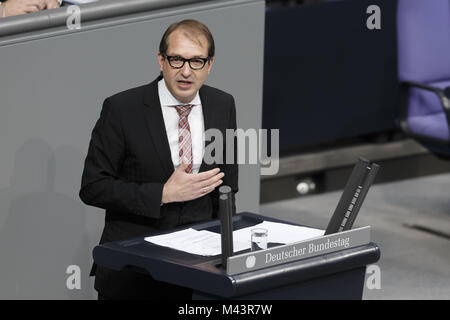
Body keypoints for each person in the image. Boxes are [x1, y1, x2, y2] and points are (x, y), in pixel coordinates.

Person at [79, 19, 238, 300]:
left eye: (197, 61)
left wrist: (227, 254)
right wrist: (162, 194)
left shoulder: (222, 105)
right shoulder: (122, 109)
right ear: (161, 60)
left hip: (199, 274)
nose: (186, 71)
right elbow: (94, 186)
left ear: (210, 64)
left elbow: (226, 188)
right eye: (177, 59)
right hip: (136, 273)